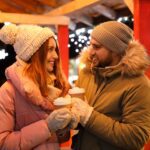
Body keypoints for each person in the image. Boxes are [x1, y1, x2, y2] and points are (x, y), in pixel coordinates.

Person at [71, 21, 150, 150]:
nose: (90, 52)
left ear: (115, 50)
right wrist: (69, 120)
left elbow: (136, 137)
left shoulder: (138, 84)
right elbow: (79, 119)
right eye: (90, 45)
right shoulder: (87, 73)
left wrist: (89, 117)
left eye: (96, 47)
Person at [0, 24, 72, 150]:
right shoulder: (7, 91)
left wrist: (65, 128)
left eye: (55, 50)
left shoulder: (54, 88)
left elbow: (60, 139)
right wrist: (47, 126)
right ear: (33, 53)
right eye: (50, 49)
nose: (55, 56)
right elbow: (3, 143)